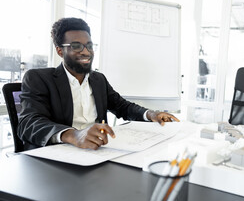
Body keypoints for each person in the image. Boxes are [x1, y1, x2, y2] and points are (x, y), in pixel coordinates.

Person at [18, 17, 179, 151]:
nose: (86, 51)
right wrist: (73, 135)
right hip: (56, 155)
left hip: (96, 152)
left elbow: (123, 106)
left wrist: (151, 114)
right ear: (60, 51)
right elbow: (29, 123)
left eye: (89, 45)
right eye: (76, 46)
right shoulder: (38, 78)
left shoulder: (98, 79)